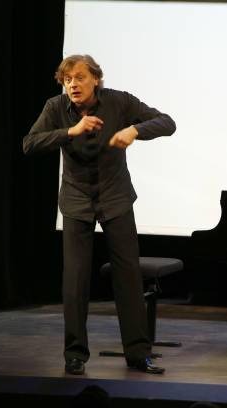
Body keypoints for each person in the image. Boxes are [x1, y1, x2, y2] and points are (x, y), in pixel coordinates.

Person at [23, 54, 176, 375]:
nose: (73, 85)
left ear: (96, 79)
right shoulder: (56, 108)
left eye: (79, 77)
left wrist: (135, 130)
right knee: (75, 280)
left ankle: (138, 353)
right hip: (77, 201)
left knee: (128, 276)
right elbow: (30, 144)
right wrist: (71, 131)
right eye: (67, 80)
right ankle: (75, 355)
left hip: (116, 198)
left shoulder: (119, 102)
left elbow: (167, 122)